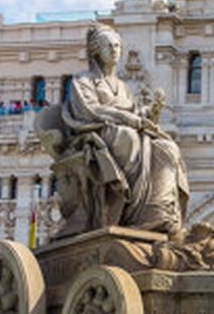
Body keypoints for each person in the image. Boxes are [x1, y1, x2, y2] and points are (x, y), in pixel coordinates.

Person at [36, 23, 188, 234]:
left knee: (167, 147)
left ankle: (155, 211)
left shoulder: (123, 86)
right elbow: (90, 110)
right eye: (109, 46)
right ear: (97, 51)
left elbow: (136, 114)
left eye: (117, 46)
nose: (115, 51)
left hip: (125, 131)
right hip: (95, 132)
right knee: (129, 138)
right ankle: (131, 211)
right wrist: (128, 119)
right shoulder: (83, 80)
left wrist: (150, 111)